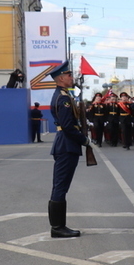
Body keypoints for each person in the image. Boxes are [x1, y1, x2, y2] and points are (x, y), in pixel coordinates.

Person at [46, 61, 88, 238]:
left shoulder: (63, 95)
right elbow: (68, 126)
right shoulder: (62, 98)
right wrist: (84, 140)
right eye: (69, 75)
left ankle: (59, 226)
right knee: (60, 186)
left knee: (61, 186)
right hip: (66, 145)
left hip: (66, 144)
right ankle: (57, 227)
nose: (72, 78)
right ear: (61, 78)